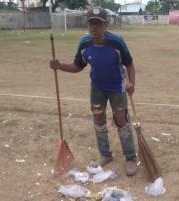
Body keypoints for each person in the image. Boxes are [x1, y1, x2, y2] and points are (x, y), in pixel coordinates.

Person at [50, 7, 137, 176]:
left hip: (117, 87)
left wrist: (131, 82)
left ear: (106, 24)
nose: (94, 28)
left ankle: (130, 157)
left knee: (121, 120)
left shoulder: (116, 42)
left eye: (98, 23)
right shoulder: (84, 43)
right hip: (97, 87)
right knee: (98, 118)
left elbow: (129, 64)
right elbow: (77, 66)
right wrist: (60, 66)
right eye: (91, 23)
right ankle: (105, 154)